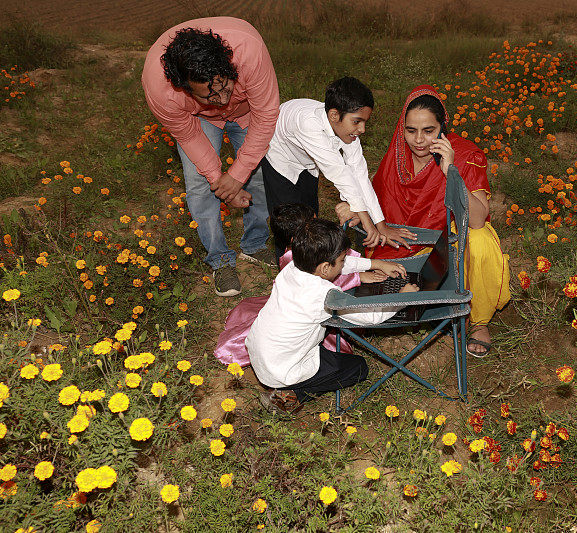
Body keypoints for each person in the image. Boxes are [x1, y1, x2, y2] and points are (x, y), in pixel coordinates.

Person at [339, 85, 510, 357]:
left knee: (480, 239)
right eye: (410, 130)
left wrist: (451, 171)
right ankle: (412, 301)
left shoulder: (466, 154)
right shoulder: (397, 155)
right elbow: (377, 200)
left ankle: (477, 322)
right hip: (401, 243)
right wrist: (353, 207)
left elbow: (477, 220)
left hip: (446, 247)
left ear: (443, 127)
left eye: (429, 131)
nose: (418, 140)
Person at [142, 17, 280, 297]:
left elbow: (266, 114)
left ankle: (255, 244)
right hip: (197, 119)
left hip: (248, 111)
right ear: (183, 87)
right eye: (209, 94)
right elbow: (189, 137)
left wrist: (238, 175)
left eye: (225, 86)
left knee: (258, 174)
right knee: (199, 183)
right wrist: (222, 182)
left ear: (230, 67)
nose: (221, 99)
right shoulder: (161, 90)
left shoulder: (250, 54)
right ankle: (219, 259)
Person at [245, 218, 418, 413]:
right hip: (281, 371)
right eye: (342, 261)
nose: (345, 263)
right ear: (325, 268)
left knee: (327, 356)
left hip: (261, 354)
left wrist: (374, 264)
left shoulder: (293, 268)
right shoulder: (324, 295)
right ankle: (290, 395)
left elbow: (338, 262)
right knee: (358, 368)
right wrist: (402, 298)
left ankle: (290, 384)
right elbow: (371, 317)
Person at [261, 76, 415, 263]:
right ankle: (289, 270)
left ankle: (311, 265)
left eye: (365, 122)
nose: (363, 129)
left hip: (308, 161)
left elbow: (359, 175)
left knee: (310, 218)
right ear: (334, 116)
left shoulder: (345, 129)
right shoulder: (308, 125)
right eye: (357, 121)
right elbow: (339, 173)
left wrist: (380, 225)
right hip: (281, 158)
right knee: (289, 224)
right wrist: (368, 224)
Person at [214, 204, 389, 367]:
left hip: (294, 310)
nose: (318, 226)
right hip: (307, 326)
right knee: (353, 365)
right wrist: (360, 278)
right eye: (313, 224)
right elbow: (331, 285)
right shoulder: (296, 263)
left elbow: (333, 267)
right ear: (296, 237)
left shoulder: (299, 254)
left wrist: (369, 267)